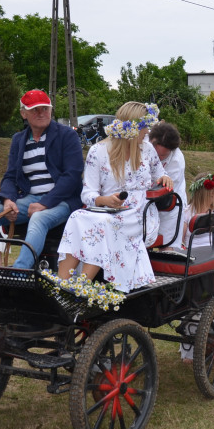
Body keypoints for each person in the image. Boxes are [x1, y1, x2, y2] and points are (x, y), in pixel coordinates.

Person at [56, 102, 169, 291]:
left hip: (138, 212)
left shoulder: (147, 149)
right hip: (106, 208)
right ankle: (61, 284)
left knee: (104, 225)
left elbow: (160, 172)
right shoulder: (98, 151)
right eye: (144, 127)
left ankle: (80, 287)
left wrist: (164, 177)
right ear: (132, 129)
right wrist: (104, 200)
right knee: (76, 217)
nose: (147, 131)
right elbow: (88, 194)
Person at [0, 90, 84, 270]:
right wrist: (8, 200)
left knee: (38, 218)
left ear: (51, 110)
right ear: (23, 113)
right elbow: (10, 176)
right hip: (30, 199)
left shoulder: (67, 135)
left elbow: (72, 175)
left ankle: (20, 272)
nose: (41, 113)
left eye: (45, 108)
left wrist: (45, 203)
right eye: (35, 110)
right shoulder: (18, 139)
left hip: (63, 200)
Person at [180, 173, 214, 364]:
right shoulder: (188, 211)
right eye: (210, 192)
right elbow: (182, 238)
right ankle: (190, 350)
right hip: (196, 259)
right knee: (195, 303)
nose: (213, 195)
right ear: (202, 191)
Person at [149, 120, 188, 249]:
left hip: (170, 205)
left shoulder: (177, 161)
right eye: (156, 154)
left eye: (163, 155)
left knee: (167, 244)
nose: (158, 159)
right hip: (148, 205)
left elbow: (162, 187)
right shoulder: (145, 145)